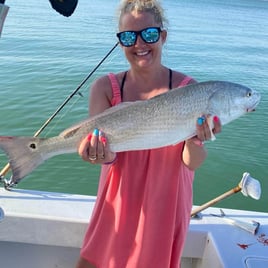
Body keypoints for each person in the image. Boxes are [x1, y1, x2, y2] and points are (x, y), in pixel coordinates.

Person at [76, 0, 221, 267]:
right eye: (129, 37)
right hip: (117, 198)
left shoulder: (189, 89)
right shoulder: (105, 88)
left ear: (163, 36)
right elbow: (100, 156)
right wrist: (98, 154)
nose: (140, 44)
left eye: (150, 34)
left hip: (166, 203)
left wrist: (197, 139)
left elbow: (192, 162)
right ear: (120, 42)